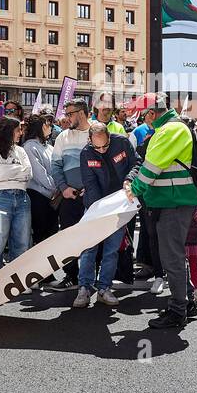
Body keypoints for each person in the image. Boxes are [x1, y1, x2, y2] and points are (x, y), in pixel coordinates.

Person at [130, 105, 197, 328]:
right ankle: (187, 300)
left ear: (152, 114)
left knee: (171, 258)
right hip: (173, 200)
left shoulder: (169, 130)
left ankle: (177, 310)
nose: (145, 121)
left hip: (173, 201)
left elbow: (151, 167)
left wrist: (133, 190)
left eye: (146, 116)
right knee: (175, 256)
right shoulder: (173, 128)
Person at [76, 122, 138, 306]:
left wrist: (129, 179)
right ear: (90, 141)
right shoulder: (86, 153)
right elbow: (90, 184)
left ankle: (104, 288)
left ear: (110, 137)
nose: (102, 150)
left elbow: (137, 163)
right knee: (89, 249)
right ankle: (84, 288)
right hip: (95, 207)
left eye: (105, 145)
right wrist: (100, 212)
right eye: (97, 147)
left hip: (119, 205)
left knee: (111, 250)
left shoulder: (122, 143)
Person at [0, 116, 33, 278]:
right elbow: (1, 173)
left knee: (22, 242)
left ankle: (18, 280)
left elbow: (29, 173)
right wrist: (17, 171)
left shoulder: (21, 150)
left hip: (23, 198)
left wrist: (9, 172)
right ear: (8, 131)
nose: (21, 133)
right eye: (18, 129)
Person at [51, 99, 93, 282]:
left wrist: (92, 188)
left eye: (69, 114)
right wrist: (64, 188)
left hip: (92, 197)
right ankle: (71, 275)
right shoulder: (62, 137)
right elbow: (55, 165)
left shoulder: (97, 132)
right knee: (68, 237)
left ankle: (90, 277)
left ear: (81, 113)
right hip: (68, 196)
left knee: (91, 238)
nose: (66, 118)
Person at [21, 114, 59, 244]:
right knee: (40, 236)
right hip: (38, 196)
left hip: (52, 197)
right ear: (41, 126)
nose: (51, 127)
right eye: (48, 124)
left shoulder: (48, 146)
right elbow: (38, 174)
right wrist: (56, 187)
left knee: (52, 235)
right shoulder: (29, 147)